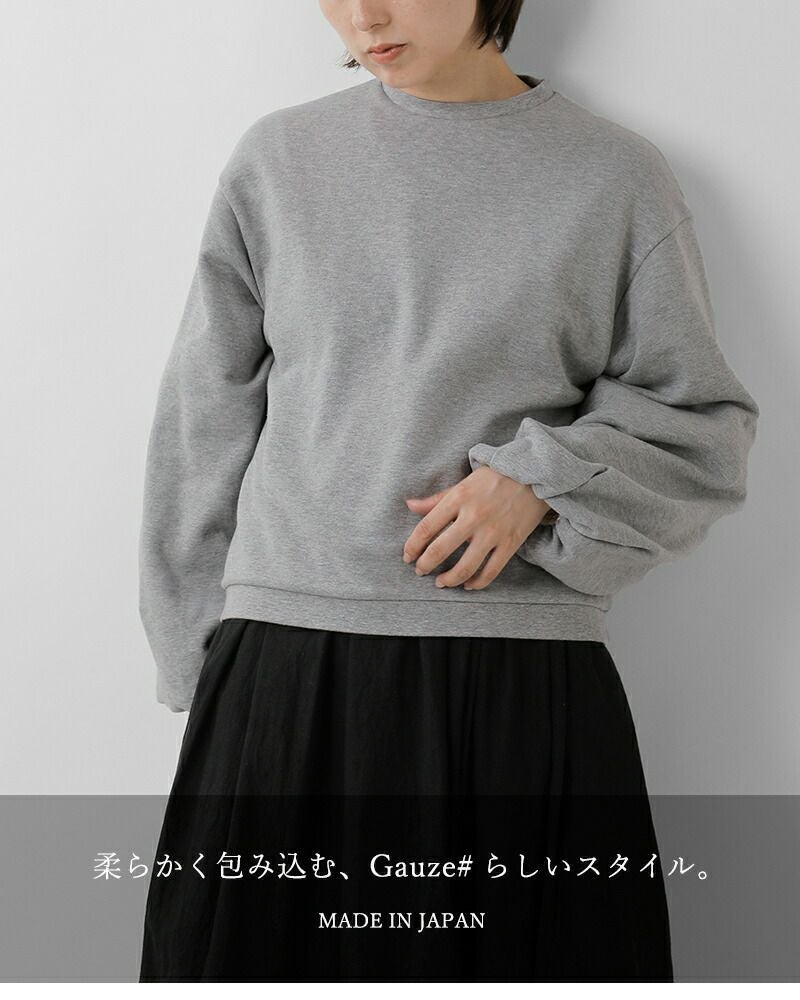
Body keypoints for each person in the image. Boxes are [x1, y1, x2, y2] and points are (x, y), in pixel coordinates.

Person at [137, 0, 759, 983]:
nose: (363, 16)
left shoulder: (612, 176)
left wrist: (539, 480)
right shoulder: (279, 161)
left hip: (514, 672)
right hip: (285, 667)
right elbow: (200, 417)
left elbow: (705, 429)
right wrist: (197, 661)